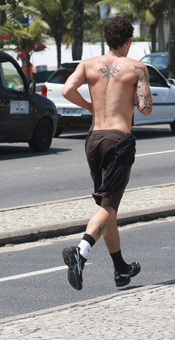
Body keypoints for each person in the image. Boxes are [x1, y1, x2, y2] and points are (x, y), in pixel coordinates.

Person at [61, 16, 153, 290]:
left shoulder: (88, 65)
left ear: (106, 39)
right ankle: (81, 253)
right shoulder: (137, 67)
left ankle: (120, 268)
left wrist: (91, 107)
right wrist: (141, 86)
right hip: (119, 139)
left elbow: (67, 90)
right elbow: (146, 108)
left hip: (93, 139)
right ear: (128, 41)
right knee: (110, 205)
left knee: (106, 205)